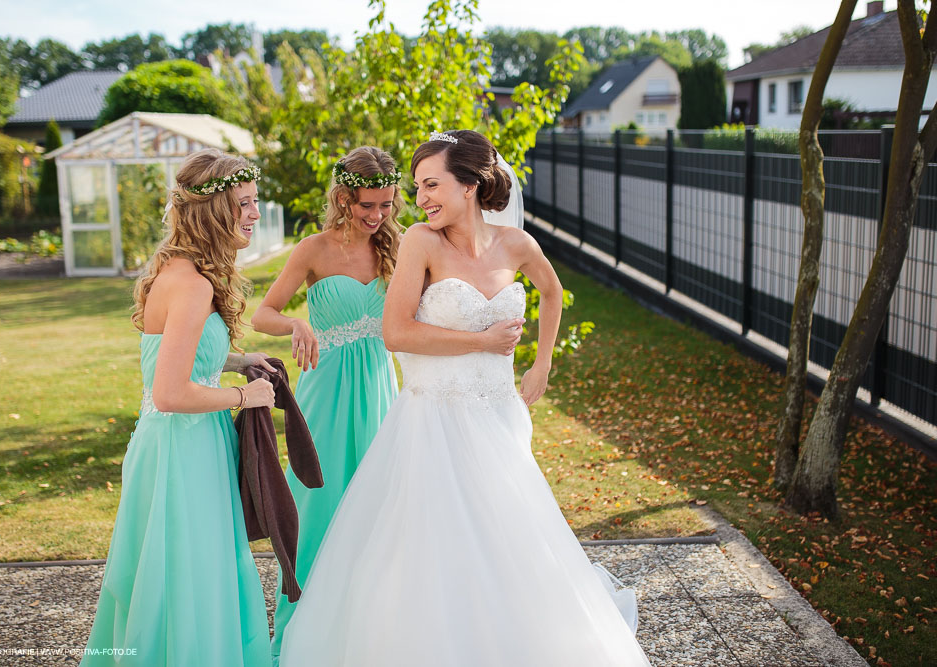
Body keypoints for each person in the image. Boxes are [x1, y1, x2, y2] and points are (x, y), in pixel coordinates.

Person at [280, 130, 651, 666]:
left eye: (432, 185)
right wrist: (481, 341)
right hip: (433, 418)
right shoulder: (420, 243)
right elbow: (397, 333)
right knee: (433, 545)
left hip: (498, 415)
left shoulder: (516, 244)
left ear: (471, 185)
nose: (422, 197)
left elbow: (552, 291)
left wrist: (541, 362)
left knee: (509, 537)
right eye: (418, 186)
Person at [81, 149, 277, 666]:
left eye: (255, 202)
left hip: (183, 443)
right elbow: (170, 392)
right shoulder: (190, 285)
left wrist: (237, 361)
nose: (255, 214)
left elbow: (182, 359)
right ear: (214, 211)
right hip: (180, 450)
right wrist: (246, 396)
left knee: (192, 572)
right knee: (186, 577)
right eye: (245, 204)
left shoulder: (179, 268)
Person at [251, 146, 402, 665]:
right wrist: (298, 323)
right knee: (321, 506)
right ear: (343, 197)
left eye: (386, 205)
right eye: (368, 205)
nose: (377, 216)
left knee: (380, 504)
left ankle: (369, 629)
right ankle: (305, 627)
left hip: (380, 389)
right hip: (326, 393)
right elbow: (262, 314)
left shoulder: (395, 247)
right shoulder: (312, 250)